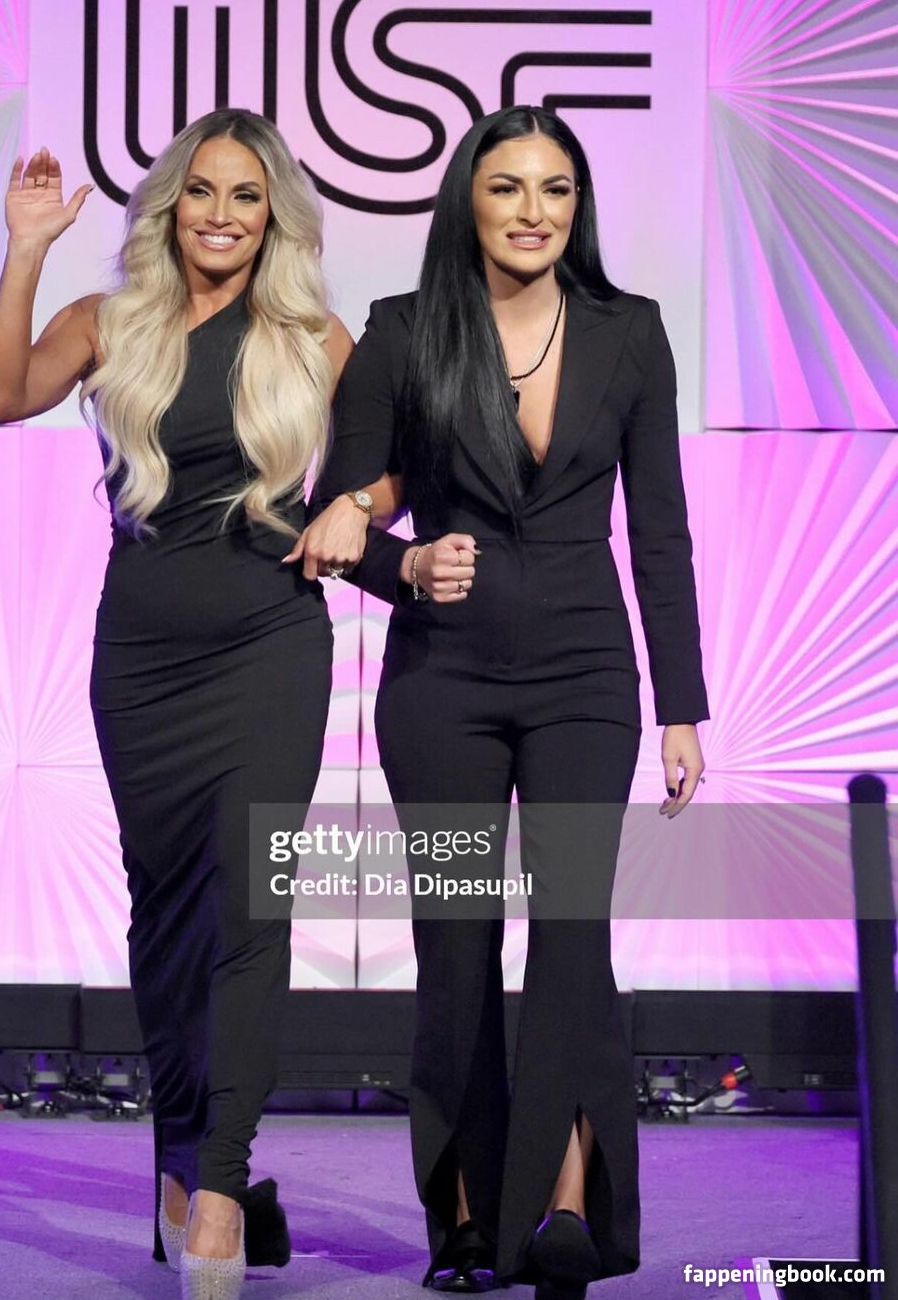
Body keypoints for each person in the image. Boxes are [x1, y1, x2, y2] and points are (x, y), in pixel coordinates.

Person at [0, 108, 392, 1300]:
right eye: (202, 190)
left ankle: (218, 1186)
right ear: (170, 204)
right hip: (141, 663)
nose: (221, 214)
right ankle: (175, 1155)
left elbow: (390, 462)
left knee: (250, 910)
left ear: (274, 217)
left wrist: (358, 504)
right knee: (165, 922)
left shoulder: (313, 337)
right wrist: (26, 248)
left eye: (246, 196)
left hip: (271, 648)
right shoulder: (108, 324)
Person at [292, 105, 708, 1299]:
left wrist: (682, 705)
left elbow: (662, 531)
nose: (534, 211)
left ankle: (565, 1204)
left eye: (556, 189)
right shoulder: (404, 331)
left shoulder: (631, 332)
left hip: (588, 676)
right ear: (467, 203)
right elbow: (339, 519)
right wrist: (406, 563)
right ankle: (470, 1214)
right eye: (508, 187)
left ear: (579, 206)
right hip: (444, 686)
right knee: (458, 944)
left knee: (572, 939)